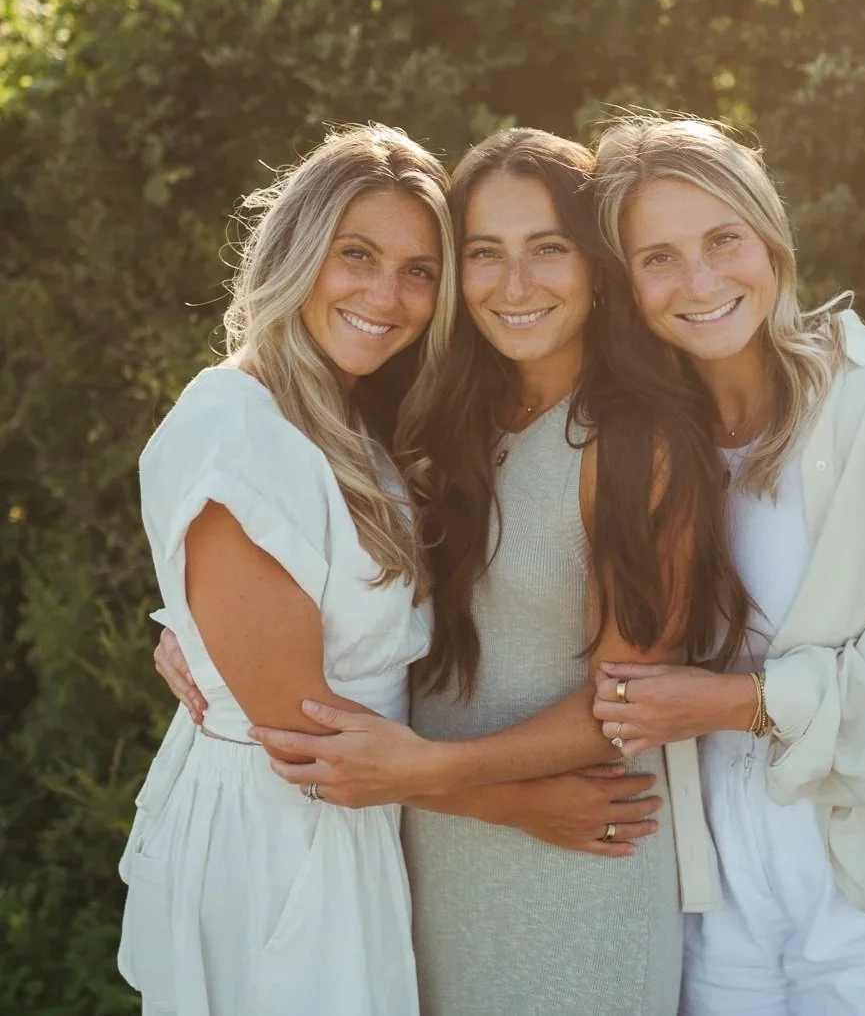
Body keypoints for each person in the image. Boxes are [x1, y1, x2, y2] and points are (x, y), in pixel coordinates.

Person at [229, 128, 749, 1016]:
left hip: (580, 855)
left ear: (595, 269)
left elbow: (626, 702)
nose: (515, 285)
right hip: (436, 849)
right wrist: (193, 636)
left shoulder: (635, 440)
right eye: (484, 254)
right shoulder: (435, 414)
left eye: (547, 249)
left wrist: (429, 771)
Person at [588, 113, 865, 1016]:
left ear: (771, 240)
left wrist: (738, 703)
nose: (699, 281)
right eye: (658, 257)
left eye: (722, 240)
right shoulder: (648, 440)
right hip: (722, 896)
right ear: (625, 283)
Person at [119, 123, 458, 1016]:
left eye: (419, 270)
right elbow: (311, 742)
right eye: (357, 254)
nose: (387, 295)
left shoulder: (339, 419)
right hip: (282, 844)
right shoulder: (235, 425)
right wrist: (535, 806)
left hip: (343, 830)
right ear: (298, 249)